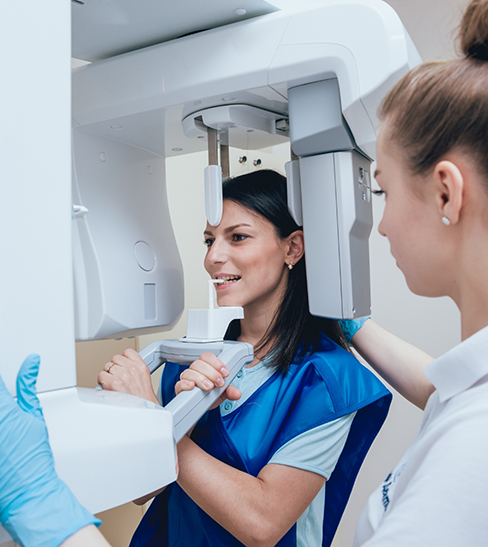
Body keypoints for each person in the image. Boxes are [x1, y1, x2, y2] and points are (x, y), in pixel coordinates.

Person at [99, 169, 391, 547]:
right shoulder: (188, 356)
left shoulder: (328, 380)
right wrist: (158, 419)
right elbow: (143, 491)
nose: (213, 257)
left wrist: (155, 422)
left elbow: (262, 523)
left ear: (292, 248)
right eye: (209, 240)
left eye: (237, 237)